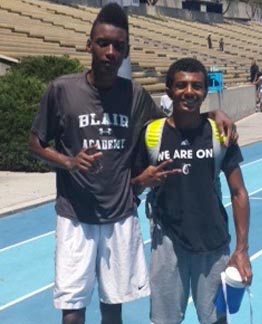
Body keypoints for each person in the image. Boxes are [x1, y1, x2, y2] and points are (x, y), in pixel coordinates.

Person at [27, 4, 235, 324]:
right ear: (89, 44)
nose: (111, 52)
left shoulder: (134, 94)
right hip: (75, 215)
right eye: (103, 43)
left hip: (121, 216)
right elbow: (35, 144)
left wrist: (210, 114)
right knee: (72, 313)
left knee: (114, 308)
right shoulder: (62, 90)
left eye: (119, 46)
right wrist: (68, 162)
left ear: (126, 52)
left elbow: (173, 120)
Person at [132, 57, 251, 324]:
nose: (189, 91)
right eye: (181, 85)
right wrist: (142, 180)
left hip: (213, 243)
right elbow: (131, 186)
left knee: (216, 320)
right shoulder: (152, 134)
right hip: (167, 244)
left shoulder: (220, 134)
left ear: (205, 91)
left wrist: (242, 250)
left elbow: (239, 192)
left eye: (196, 86)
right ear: (169, 90)